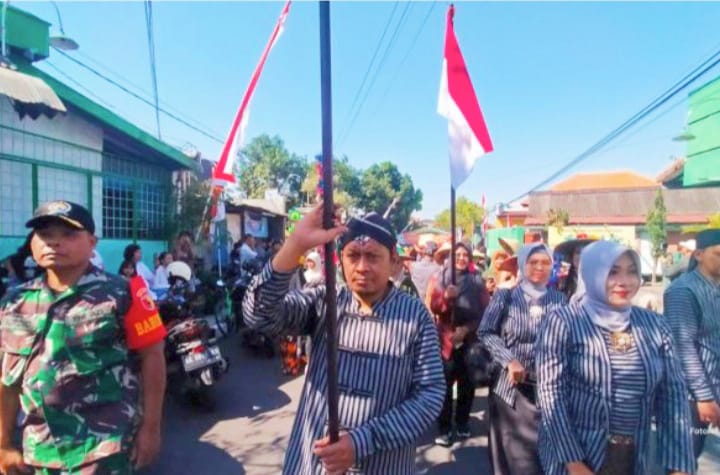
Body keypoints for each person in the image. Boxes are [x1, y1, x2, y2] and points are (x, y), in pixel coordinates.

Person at [243, 207, 445, 475]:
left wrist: (362, 442)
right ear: (340, 259)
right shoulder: (323, 302)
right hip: (312, 465)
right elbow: (258, 315)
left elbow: (430, 395)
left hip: (384, 465)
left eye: (373, 256)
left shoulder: (415, 315)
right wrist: (295, 245)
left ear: (394, 260)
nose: (362, 267)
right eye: (353, 255)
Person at [0, 200, 167, 474]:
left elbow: (153, 358)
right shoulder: (13, 302)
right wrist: (4, 443)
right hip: (36, 450)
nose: (54, 243)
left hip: (104, 448)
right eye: (45, 235)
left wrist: (151, 429)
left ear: (92, 242)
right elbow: (6, 380)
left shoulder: (125, 293)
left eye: (68, 234)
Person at [536, 240, 695, 475]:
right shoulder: (563, 321)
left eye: (632, 272)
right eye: (613, 272)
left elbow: (673, 396)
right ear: (592, 273)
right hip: (576, 456)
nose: (625, 282)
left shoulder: (655, 324)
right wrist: (573, 462)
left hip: (632, 457)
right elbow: (551, 397)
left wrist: (679, 464)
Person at [479, 242, 566, 475]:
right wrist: (509, 359)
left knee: (544, 457)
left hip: (549, 391)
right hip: (511, 392)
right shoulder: (505, 296)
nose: (539, 267)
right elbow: (485, 332)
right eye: (533, 262)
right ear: (522, 265)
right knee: (515, 458)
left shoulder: (560, 300)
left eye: (545, 262)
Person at [664, 228, 720, 461]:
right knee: (684, 458)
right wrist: (704, 397)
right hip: (690, 395)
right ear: (698, 255)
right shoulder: (683, 290)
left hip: (714, 385)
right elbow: (683, 347)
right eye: (718, 253)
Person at [428, 242, 489, 446]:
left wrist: (466, 330)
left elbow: (485, 313)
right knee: (444, 386)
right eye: (458, 254)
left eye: (465, 255)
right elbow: (434, 307)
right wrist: (446, 297)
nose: (462, 258)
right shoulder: (439, 279)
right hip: (445, 340)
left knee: (467, 385)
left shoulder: (477, 281)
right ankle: (444, 428)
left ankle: (462, 422)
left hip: (469, 341)